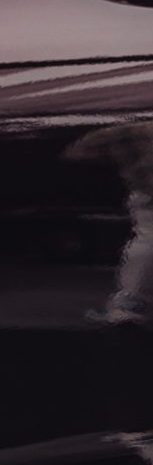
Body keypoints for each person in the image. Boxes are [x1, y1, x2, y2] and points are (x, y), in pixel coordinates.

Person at [64, 120, 153, 324]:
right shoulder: (133, 130)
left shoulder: (131, 130)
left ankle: (130, 302)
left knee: (148, 241)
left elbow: (76, 152)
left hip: (149, 195)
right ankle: (130, 301)